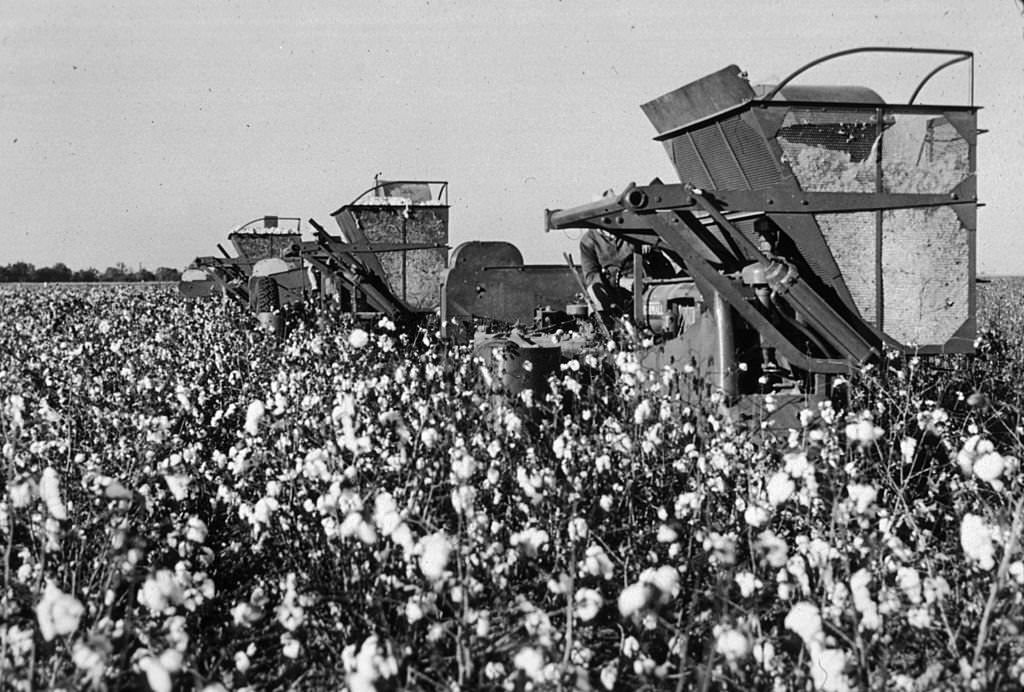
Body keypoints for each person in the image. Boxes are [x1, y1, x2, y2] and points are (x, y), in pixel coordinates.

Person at [579, 227, 634, 317]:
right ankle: (605, 323)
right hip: (609, 288)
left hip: (638, 285)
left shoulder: (634, 233)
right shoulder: (589, 240)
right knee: (594, 289)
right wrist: (618, 282)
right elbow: (591, 276)